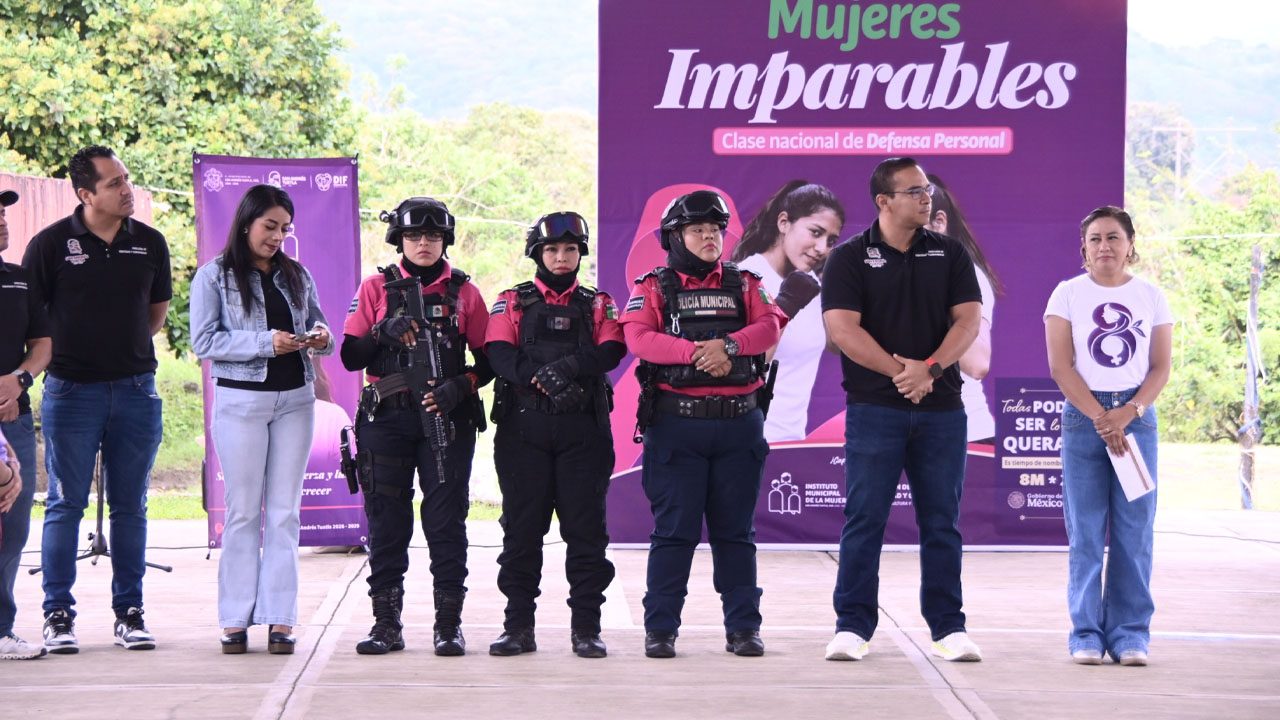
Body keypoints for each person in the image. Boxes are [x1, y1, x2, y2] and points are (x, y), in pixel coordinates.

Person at [821, 157, 983, 663]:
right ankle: (852, 627)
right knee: (864, 519)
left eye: (927, 188)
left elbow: (968, 322)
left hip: (942, 410)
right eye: (914, 191)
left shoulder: (950, 253)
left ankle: (948, 627)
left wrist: (930, 369)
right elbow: (843, 330)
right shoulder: (849, 257)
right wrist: (902, 373)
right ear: (883, 201)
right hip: (874, 409)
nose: (925, 197)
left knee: (941, 522)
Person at [621, 189, 786, 659]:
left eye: (715, 230)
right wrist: (696, 352)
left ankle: (743, 629)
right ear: (674, 237)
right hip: (677, 427)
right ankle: (661, 630)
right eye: (698, 230)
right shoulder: (653, 286)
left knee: (736, 534)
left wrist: (728, 346)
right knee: (674, 533)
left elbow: (770, 326)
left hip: (739, 426)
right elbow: (638, 337)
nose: (710, 237)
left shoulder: (746, 282)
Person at [23, 146, 171, 652]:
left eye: (126, 179)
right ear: (86, 194)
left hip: (136, 391)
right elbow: (33, 321)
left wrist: (122, 351)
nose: (127, 190)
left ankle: (130, 613)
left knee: (131, 506)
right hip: (70, 392)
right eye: (114, 183)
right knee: (65, 503)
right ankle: (57, 616)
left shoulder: (150, 242)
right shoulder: (49, 245)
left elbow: (155, 314)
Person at [341, 197, 492, 656]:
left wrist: (462, 386)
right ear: (399, 240)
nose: (423, 243)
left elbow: (490, 361)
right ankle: (386, 624)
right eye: (413, 236)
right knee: (387, 522)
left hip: (446, 420)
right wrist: (379, 332)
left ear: (445, 240)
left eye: (433, 236)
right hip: (386, 420)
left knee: (446, 522)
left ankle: (448, 625)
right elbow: (350, 357)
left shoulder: (465, 293)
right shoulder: (374, 288)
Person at [190, 184, 334, 655]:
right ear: (246, 222)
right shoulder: (213, 276)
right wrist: (264, 343)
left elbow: (322, 327)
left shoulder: (297, 274)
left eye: (285, 229)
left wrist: (318, 336)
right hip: (241, 405)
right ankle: (234, 619)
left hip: (296, 402)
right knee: (243, 512)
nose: (277, 237)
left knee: (285, 513)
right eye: (270, 226)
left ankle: (281, 619)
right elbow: (204, 341)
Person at [485, 211, 625, 658]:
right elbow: (498, 354)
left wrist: (567, 368)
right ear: (537, 254)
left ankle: (586, 628)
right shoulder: (511, 300)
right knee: (521, 532)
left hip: (583, 431)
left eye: (570, 249)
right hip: (523, 431)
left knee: (586, 533)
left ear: (580, 253)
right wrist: (542, 379)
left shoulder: (598, 302)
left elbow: (612, 349)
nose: (561, 257)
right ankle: (518, 628)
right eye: (552, 250)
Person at [1044, 205, 1172, 667]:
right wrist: (1102, 417)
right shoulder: (1066, 294)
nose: (1104, 246)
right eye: (1095, 238)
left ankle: (1130, 633)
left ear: (1130, 244)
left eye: (1114, 237)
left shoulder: (1151, 296)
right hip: (1085, 418)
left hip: (1137, 418)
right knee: (1086, 530)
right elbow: (1061, 368)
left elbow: (1160, 367)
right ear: (1084, 247)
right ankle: (1085, 634)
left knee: (1134, 531)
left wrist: (1128, 412)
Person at [730, 181, 845, 442]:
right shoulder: (744, 277)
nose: (822, 248)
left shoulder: (810, 282)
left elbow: (837, 344)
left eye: (831, 240)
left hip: (792, 441)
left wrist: (842, 287)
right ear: (784, 223)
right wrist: (786, 307)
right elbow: (744, 366)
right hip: (745, 440)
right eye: (815, 232)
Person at [1, 187, 53, 661]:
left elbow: (42, 344)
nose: (2, 219)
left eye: (2, 211)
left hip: (12, 416)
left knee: (13, 525)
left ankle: (1, 629)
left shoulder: (19, 279)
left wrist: (19, 380)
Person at [926, 174, 1002, 444]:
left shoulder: (966, 276)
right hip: (905, 432)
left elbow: (977, 364)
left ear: (939, 222)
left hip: (966, 434)